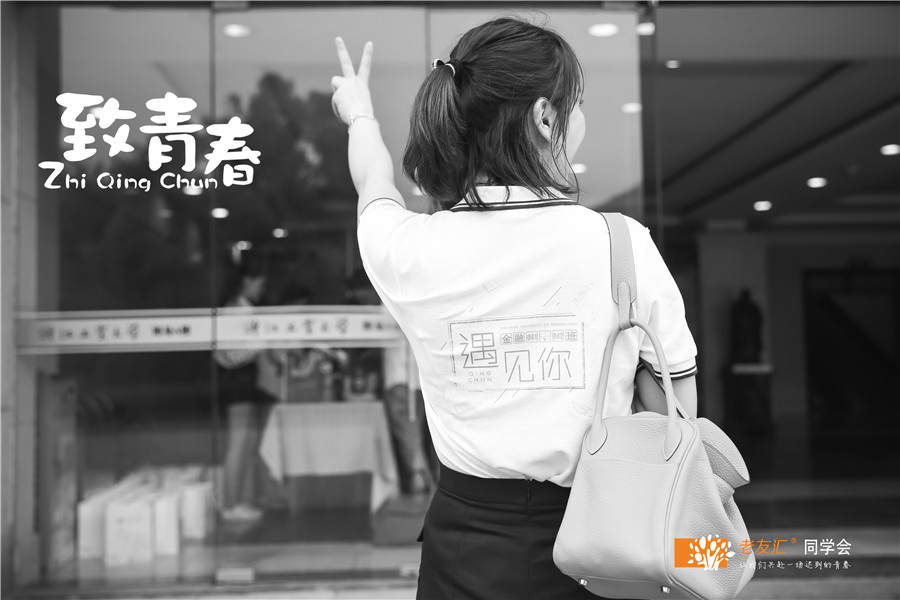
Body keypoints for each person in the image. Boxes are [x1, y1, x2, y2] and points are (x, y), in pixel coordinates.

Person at [330, 17, 699, 600]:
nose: (580, 119)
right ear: (545, 117)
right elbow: (676, 415)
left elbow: (374, 182)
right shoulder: (620, 244)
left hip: (462, 547)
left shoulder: (408, 249)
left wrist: (360, 116)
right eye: (576, 104)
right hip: (604, 543)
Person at [214, 254, 276, 521]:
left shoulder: (244, 308)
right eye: (260, 282)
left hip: (246, 381)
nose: (262, 288)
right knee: (238, 443)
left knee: (246, 442)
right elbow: (224, 354)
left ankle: (238, 500)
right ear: (247, 281)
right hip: (236, 381)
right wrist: (260, 345)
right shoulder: (233, 310)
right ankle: (230, 504)